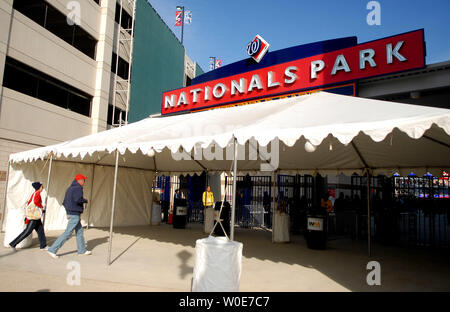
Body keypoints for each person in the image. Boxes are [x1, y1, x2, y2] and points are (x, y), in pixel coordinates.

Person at [47, 174, 91, 259]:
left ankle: (82, 250)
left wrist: (68, 212)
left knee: (79, 232)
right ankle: (53, 249)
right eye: (83, 180)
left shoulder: (70, 188)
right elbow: (77, 199)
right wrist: (85, 200)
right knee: (68, 233)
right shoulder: (78, 188)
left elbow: (64, 202)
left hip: (72, 213)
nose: (84, 182)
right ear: (79, 180)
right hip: (75, 214)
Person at [9, 182, 47, 251]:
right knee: (27, 232)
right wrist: (41, 207)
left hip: (36, 217)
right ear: (39, 187)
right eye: (41, 187)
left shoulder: (34, 194)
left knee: (40, 231)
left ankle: (43, 245)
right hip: (33, 217)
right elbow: (36, 202)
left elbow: (31, 203)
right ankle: (13, 244)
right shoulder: (37, 194)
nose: (42, 188)